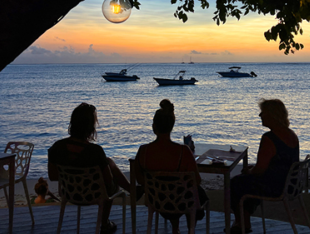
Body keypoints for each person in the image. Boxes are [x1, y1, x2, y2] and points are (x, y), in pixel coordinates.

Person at [48, 103, 130, 234]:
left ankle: (132, 189)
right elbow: (108, 183)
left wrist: (74, 177)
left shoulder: (56, 147)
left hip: (70, 193)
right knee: (110, 175)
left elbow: (52, 176)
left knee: (109, 162)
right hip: (93, 194)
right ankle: (104, 224)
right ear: (90, 126)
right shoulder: (95, 151)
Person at [135, 99, 207, 234]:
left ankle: (175, 228)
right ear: (172, 126)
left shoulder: (143, 151)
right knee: (192, 191)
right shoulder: (183, 151)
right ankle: (191, 228)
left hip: (157, 201)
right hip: (182, 202)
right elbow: (196, 180)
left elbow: (140, 179)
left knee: (173, 187)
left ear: (153, 127)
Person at [229, 99, 299, 234]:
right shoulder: (291, 134)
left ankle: (242, 223)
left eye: (262, 112)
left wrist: (249, 171)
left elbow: (260, 170)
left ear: (271, 115)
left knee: (236, 183)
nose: (259, 116)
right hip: (290, 184)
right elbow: (278, 162)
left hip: (276, 186)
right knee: (246, 181)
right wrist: (252, 170)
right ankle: (244, 221)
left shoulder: (269, 138)